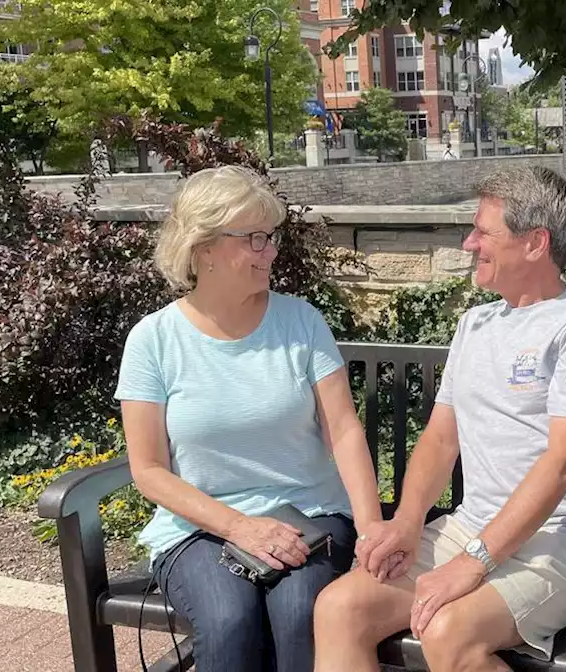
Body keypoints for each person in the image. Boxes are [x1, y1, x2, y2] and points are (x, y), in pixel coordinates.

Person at [313, 165, 566, 672]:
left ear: (535, 243)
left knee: (448, 632)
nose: (468, 243)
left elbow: (565, 459)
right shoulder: (476, 324)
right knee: (338, 609)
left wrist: (474, 562)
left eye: (483, 231)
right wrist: (409, 523)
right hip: (472, 527)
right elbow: (441, 440)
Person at [115, 165, 385, 672]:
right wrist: (240, 526)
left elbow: (344, 430)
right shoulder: (153, 340)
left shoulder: (299, 321)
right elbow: (148, 470)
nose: (272, 249)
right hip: (200, 525)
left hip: (310, 513)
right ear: (205, 247)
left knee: (302, 610)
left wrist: (370, 529)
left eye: (272, 236)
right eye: (255, 238)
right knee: (227, 619)